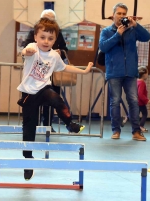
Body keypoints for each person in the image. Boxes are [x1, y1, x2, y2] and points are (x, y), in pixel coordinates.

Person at [17, 17, 93, 180]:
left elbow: (65, 67)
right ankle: (28, 160)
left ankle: (70, 124)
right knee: (29, 129)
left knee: (56, 99)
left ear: (55, 40)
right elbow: (24, 52)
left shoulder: (54, 56)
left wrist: (84, 71)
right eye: (42, 37)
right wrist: (26, 52)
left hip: (43, 89)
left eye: (50, 38)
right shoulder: (32, 48)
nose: (46, 41)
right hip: (28, 94)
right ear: (36, 37)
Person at [99, 3, 150, 141]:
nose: (121, 16)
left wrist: (135, 25)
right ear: (113, 15)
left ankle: (136, 132)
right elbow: (103, 47)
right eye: (119, 13)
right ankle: (116, 130)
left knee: (134, 101)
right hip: (114, 72)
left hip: (131, 73)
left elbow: (147, 37)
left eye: (124, 14)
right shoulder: (106, 31)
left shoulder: (132, 30)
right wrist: (117, 35)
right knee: (115, 101)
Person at [23, 9, 68, 132]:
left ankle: (48, 125)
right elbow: (25, 47)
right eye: (45, 18)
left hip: (52, 73)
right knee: (34, 102)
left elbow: (65, 50)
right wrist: (29, 51)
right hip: (35, 74)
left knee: (52, 100)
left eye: (51, 19)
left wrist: (60, 52)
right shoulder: (34, 31)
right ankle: (34, 125)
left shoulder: (59, 33)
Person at [137, 66, 150, 132]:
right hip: (141, 103)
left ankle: (127, 118)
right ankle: (141, 126)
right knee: (145, 114)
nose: (147, 75)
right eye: (147, 73)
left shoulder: (136, 81)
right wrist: (146, 100)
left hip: (136, 102)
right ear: (144, 74)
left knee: (136, 114)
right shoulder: (142, 83)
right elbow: (140, 94)